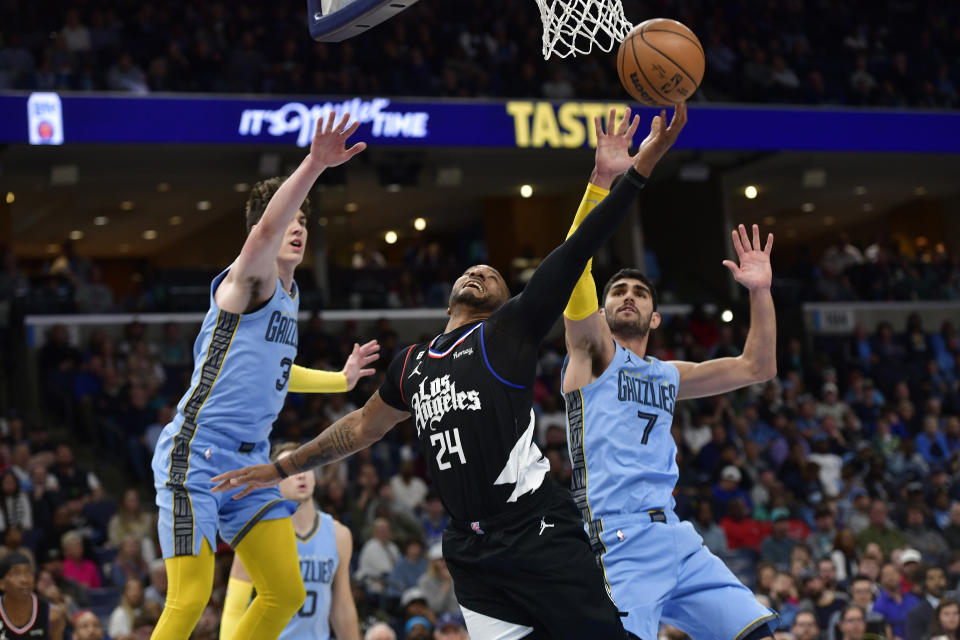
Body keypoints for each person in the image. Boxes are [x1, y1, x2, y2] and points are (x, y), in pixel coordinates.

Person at [213, 104, 688, 639]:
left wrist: (628, 173)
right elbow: (360, 429)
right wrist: (282, 468)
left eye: (492, 274)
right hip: (469, 550)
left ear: (509, 301)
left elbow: (577, 249)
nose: (480, 270)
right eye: (473, 268)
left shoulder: (509, 331)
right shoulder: (412, 363)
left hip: (536, 529)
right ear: (447, 301)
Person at [150, 112, 376, 640]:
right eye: (290, 221)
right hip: (196, 452)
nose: (297, 230)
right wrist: (315, 164)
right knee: (189, 599)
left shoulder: (291, 299)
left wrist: (339, 382)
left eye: (304, 225)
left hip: (251, 462)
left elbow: (277, 371)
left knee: (285, 593)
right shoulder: (246, 280)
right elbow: (269, 225)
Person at [556, 107, 777, 640]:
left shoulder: (668, 374)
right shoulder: (591, 353)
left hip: (676, 535)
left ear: (655, 317)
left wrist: (761, 292)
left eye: (639, 292)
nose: (627, 296)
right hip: (618, 537)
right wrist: (601, 180)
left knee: (759, 634)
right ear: (603, 311)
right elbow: (572, 262)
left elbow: (758, 366)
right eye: (617, 292)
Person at [220, 443, 359, 640]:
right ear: (273, 481)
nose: (301, 474)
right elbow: (235, 606)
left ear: (315, 478)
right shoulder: (257, 535)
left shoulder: (339, 534)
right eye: (291, 470)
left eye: (306, 467)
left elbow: (342, 607)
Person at [0, 552, 65, 639]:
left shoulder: (52, 616)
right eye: (15, 573)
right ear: (2, 584)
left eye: (28, 573)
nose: (24, 580)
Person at [905, 565, 947, 640]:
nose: (937, 582)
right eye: (931, 579)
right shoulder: (916, 613)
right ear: (924, 583)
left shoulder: (956, 606)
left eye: (941, 577)